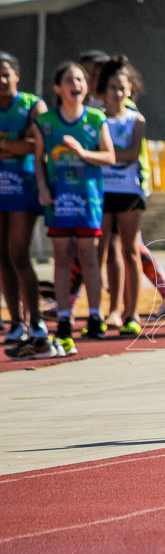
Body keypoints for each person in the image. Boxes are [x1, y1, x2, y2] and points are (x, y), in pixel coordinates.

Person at [35, 62, 117, 356]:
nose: (76, 84)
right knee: (61, 257)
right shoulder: (47, 122)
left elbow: (109, 156)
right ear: (59, 88)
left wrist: (82, 153)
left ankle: (95, 315)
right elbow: (39, 160)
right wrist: (43, 188)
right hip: (60, 200)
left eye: (80, 79)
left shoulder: (96, 119)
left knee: (89, 256)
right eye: (70, 79)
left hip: (88, 198)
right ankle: (65, 319)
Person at [0, 52, 50, 359]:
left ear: (17, 75)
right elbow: (25, 144)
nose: (2, 80)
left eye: (6, 73)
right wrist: (17, 144)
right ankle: (16, 322)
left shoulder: (33, 105)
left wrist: (4, 145)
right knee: (1, 254)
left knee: (19, 253)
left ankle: (38, 322)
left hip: (24, 187)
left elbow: (37, 145)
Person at [95, 56, 146, 336]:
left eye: (122, 87)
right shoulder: (96, 118)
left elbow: (131, 154)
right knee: (101, 251)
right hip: (101, 192)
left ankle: (132, 312)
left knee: (130, 250)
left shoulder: (136, 119)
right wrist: (106, 156)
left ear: (130, 90)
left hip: (128, 191)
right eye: (112, 87)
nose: (117, 92)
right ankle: (106, 310)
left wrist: (105, 155)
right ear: (103, 90)